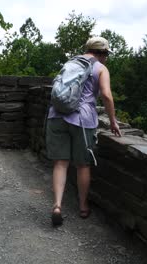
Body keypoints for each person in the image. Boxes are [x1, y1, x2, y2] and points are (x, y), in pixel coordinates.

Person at [46, 36, 121, 226]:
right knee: (82, 165)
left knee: (60, 163)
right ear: (102, 53)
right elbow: (106, 95)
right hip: (82, 119)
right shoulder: (101, 68)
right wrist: (113, 121)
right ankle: (83, 206)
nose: (106, 58)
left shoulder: (71, 63)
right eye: (106, 54)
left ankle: (57, 205)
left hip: (56, 115)